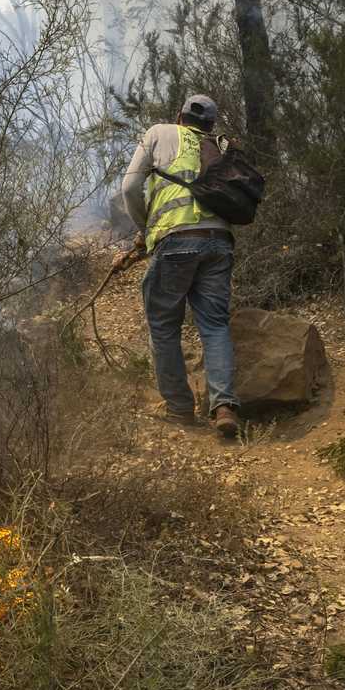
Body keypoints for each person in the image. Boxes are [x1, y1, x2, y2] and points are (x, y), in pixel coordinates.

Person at [119, 94, 241, 437]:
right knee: (215, 326)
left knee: (163, 325)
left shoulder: (159, 132)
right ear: (210, 124)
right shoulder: (219, 144)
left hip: (174, 241)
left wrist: (146, 229)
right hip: (219, 241)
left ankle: (180, 410)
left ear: (179, 116)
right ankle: (224, 407)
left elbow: (129, 187)